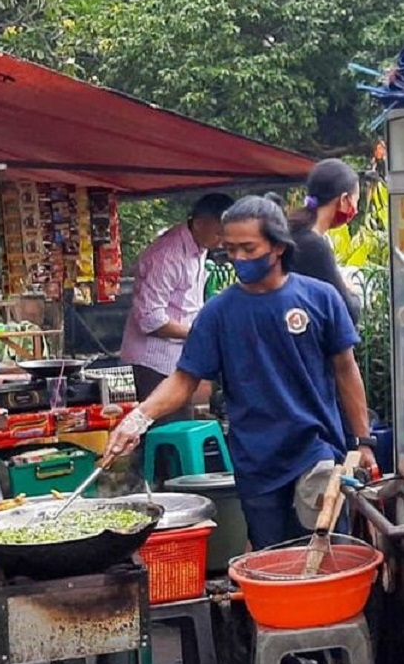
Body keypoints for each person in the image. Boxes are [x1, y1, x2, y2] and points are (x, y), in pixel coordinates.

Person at [102, 196, 378, 549]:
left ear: (277, 246)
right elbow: (184, 380)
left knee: (327, 548)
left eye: (249, 248)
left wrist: (364, 441)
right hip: (256, 458)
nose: (238, 259)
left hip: (315, 447)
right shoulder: (217, 314)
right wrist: (137, 418)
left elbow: (346, 369)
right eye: (230, 249)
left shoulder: (319, 298)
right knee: (271, 556)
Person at [120, 193, 234, 417]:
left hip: (179, 357)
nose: (222, 241)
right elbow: (150, 319)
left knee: (181, 428)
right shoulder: (167, 255)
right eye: (219, 232)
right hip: (154, 362)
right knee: (165, 433)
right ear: (199, 223)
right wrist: (201, 333)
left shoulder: (199, 246)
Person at [287, 158, 363, 325]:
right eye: (356, 201)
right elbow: (348, 313)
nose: (356, 210)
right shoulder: (313, 246)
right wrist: (353, 292)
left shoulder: (293, 231)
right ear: (344, 200)